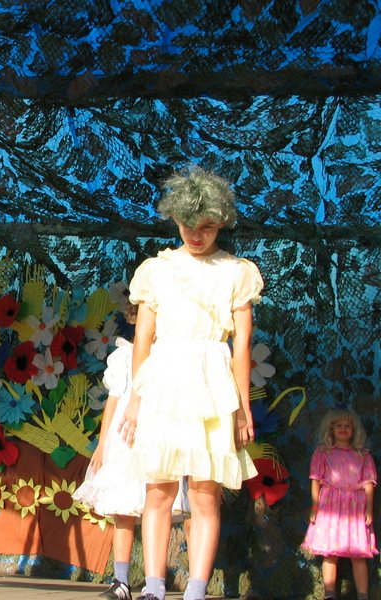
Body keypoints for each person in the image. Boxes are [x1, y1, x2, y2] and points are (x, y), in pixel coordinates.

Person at [118, 166, 261, 600]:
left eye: (208, 227)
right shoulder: (156, 270)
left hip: (212, 384)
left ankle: (196, 590)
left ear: (222, 223)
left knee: (204, 494)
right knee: (158, 489)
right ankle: (154, 586)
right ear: (175, 219)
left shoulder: (236, 272)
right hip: (164, 383)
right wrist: (136, 399)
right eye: (188, 225)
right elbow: (143, 339)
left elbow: (241, 346)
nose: (197, 235)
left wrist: (242, 407)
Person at [74, 300, 188, 600]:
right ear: (134, 319)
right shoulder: (123, 355)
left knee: (158, 504)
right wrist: (102, 444)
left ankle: (155, 583)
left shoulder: (169, 355)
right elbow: (113, 401)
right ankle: (121, 581)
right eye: (143, 318)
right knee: (122, 509)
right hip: (125, 438)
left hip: (158, 434)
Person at [302, 407, 377, 600]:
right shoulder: (323, 452)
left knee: (358, 555)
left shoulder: (363, 455)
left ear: (354, 430)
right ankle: (329, 594)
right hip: (330, 507)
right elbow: (315, 479)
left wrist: (369, 508)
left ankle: (363, 595)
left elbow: (369, 484)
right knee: (330, 554)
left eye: (347, 426)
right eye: (339, 425)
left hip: (355, 508)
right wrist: (315, 506)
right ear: (331, 428)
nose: (343, 429)